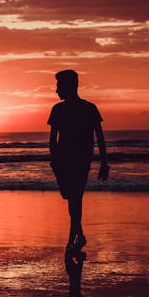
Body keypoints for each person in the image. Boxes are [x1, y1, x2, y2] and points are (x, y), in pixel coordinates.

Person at [48, 69, 109, 252]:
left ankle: (72, 240)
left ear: (69, 86)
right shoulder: (58, 110)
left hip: (81, 160)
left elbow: (99, 137)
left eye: (59, 86)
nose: (56, 90)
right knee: (70, 197)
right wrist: (55, 162)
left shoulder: (88, 108)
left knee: (75, 198)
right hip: (62, 161)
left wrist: (104, 163)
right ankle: (80, 235)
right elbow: (52, 139)